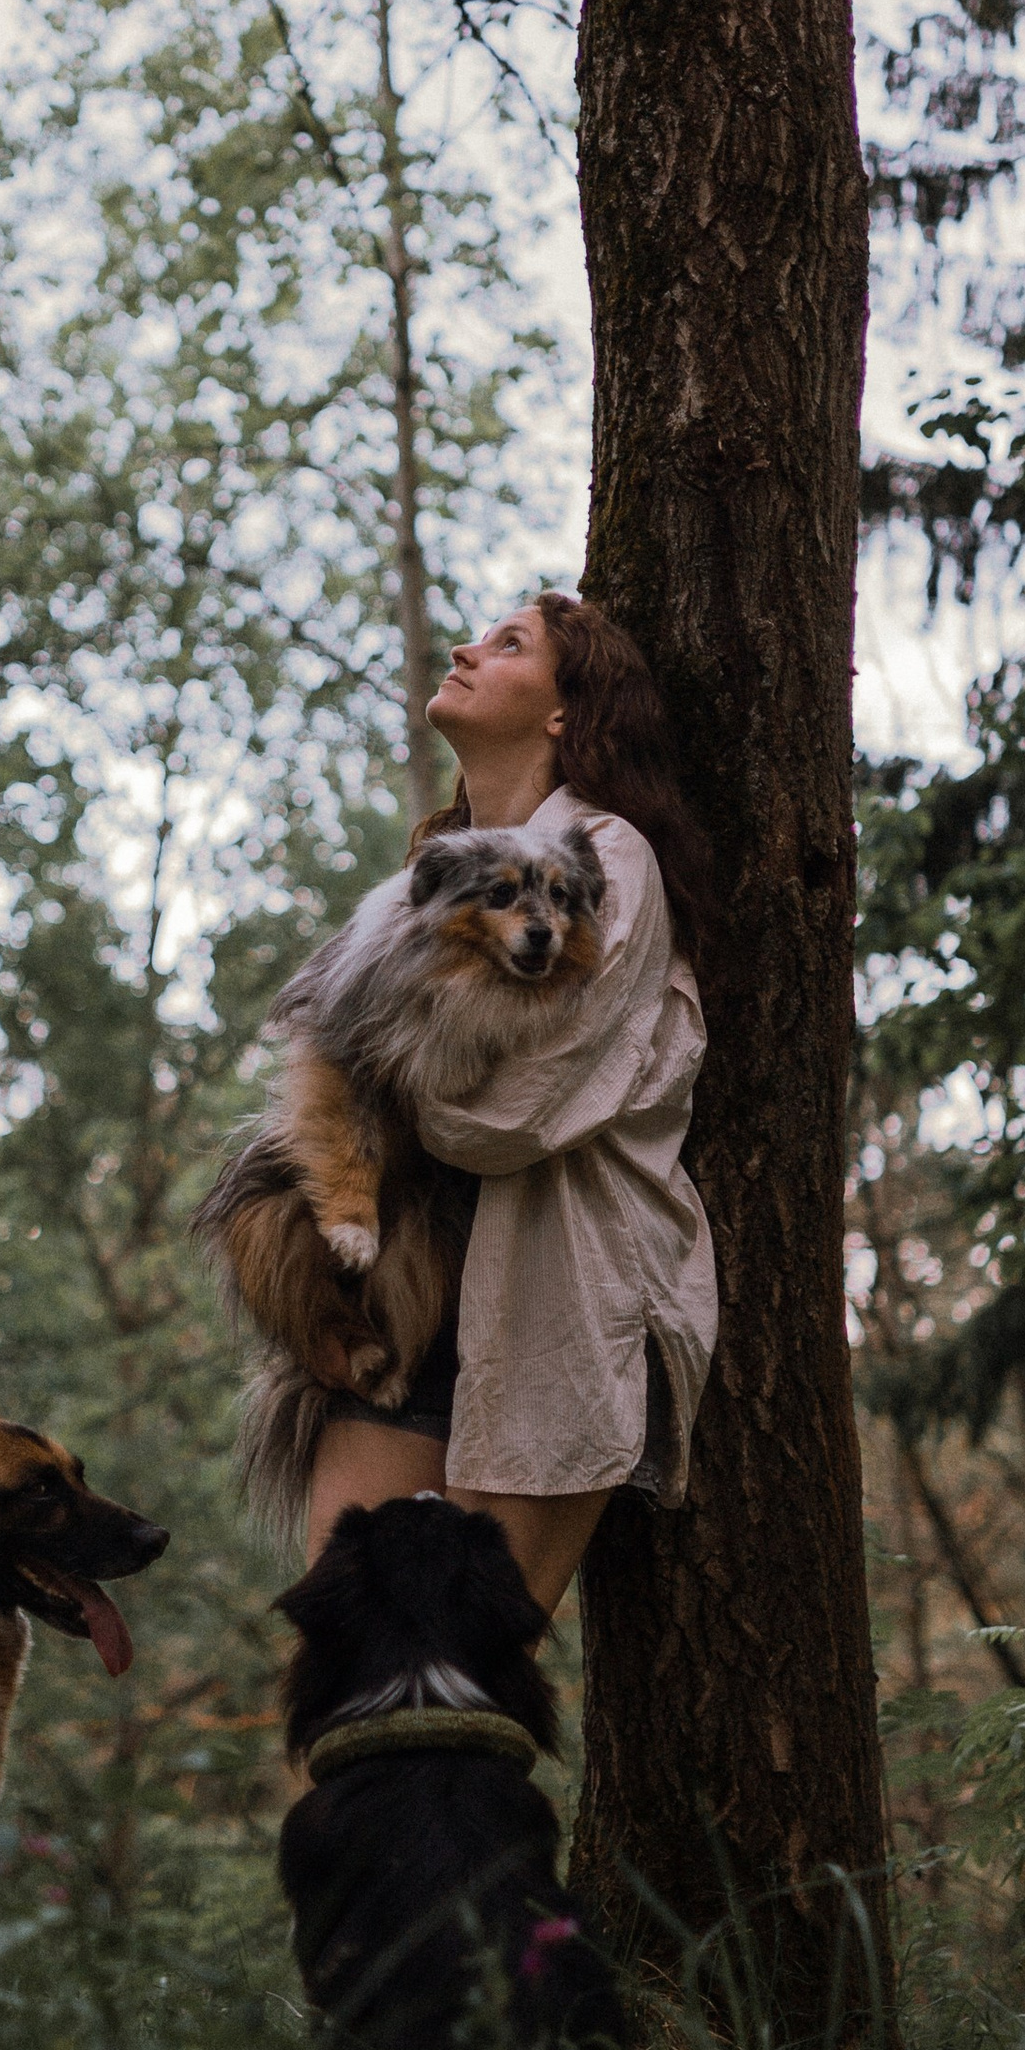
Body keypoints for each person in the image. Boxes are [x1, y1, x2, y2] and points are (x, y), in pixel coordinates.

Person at [303, 594, 718, 1619]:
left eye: (507, 645)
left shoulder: (603, 856)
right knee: (340, 1653)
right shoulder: (437, 868)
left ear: (565, 714)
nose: (463, 649)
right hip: (407, 1298)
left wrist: (390, 1087)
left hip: (550, 1295)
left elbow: (507, 1117)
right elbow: (324, 1067)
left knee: (468, 1673)